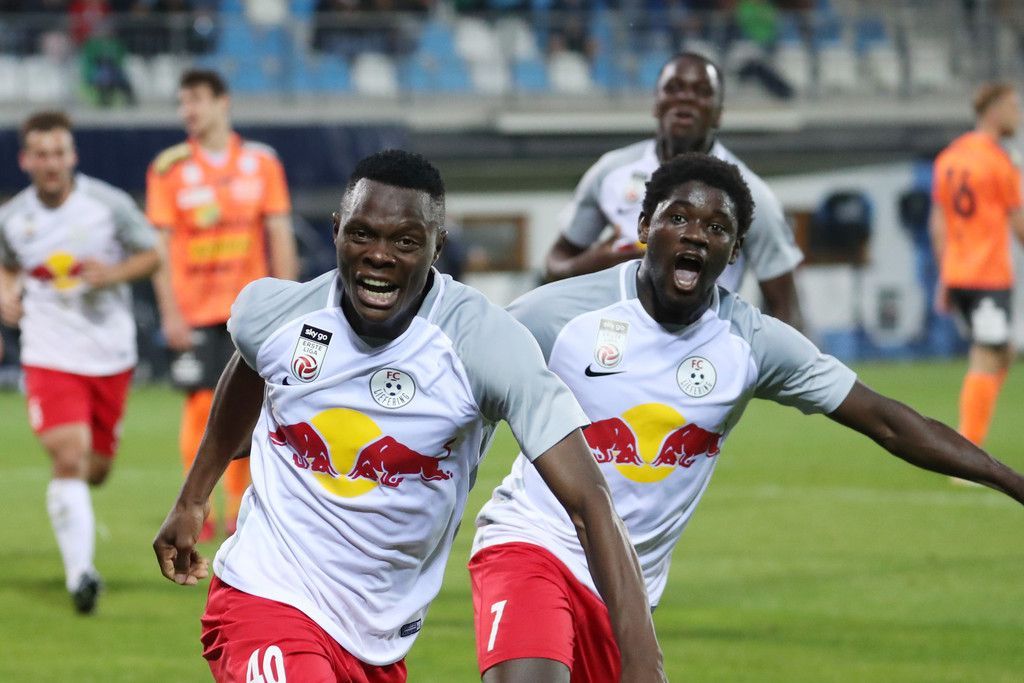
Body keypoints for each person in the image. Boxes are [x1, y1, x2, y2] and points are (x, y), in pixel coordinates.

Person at [471, 153, 1024, 682]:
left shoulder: (751, 343)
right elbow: (465, 369)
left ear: (735, 250)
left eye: (717, 228)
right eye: (678, 218)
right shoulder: (560, 314)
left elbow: (887, 421)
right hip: (531, 545)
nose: (695, 235)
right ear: (644, 227)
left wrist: (1009, 479)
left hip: (625, 593)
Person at [152, 149, 666, 683]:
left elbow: (589, 502)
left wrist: (641, 659)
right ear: (336, 231)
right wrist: (193, 498)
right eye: (362, 234)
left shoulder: (484, 346)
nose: (378, 255)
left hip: (377, 641)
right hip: (265, 598)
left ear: (437, 246)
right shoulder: (277, 315)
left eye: (405, 241)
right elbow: (250, 367)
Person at [0, 111, 160, 614]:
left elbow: (152, 254)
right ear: (26, 160)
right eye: (41, 154)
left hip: (109, 353)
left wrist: (111, 274)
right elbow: (8, 266)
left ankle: (74, 507)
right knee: (69, 456)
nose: (51, 163)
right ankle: (81, 577)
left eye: (58, 153)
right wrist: (5, 295)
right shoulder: (13, 217)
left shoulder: (108, 205)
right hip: (48, 352)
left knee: (96, 469)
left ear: (72, 155)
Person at [545, 51, 804, 329]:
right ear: (656, 103)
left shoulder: (749, 195)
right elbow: (554, 265)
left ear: (718, 114)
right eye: (674, 88)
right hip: (617, 339)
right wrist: (593, 263)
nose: (686, 98)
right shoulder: (610, 173)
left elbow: (785, 307)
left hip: (705, 345)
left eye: (702, 92)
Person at [147, 68, 299, 541]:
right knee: (199, 405)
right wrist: (169, 312)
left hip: (250, 310)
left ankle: (240, 507)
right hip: (195, 309)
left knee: (251, 405)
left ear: (222, 102)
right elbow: (159, 249)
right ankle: (200, 504)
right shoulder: (169, 170)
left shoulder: (261, 163)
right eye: (182, 101)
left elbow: (279, 233)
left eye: (195, 99)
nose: (187, 110)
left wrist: (290, 300)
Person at [930, 82, 1024, 452]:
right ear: (994, 110)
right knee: (987, 354)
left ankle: (970, 437)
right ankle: (966, 450)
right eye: (1013, 107)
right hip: (987, 276)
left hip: (958, 273)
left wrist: (944, 275)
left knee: (1003, 351)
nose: (1018, 115)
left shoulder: (949, 157)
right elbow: (1019, 226)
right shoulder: (1000, 161)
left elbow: (938, 223)